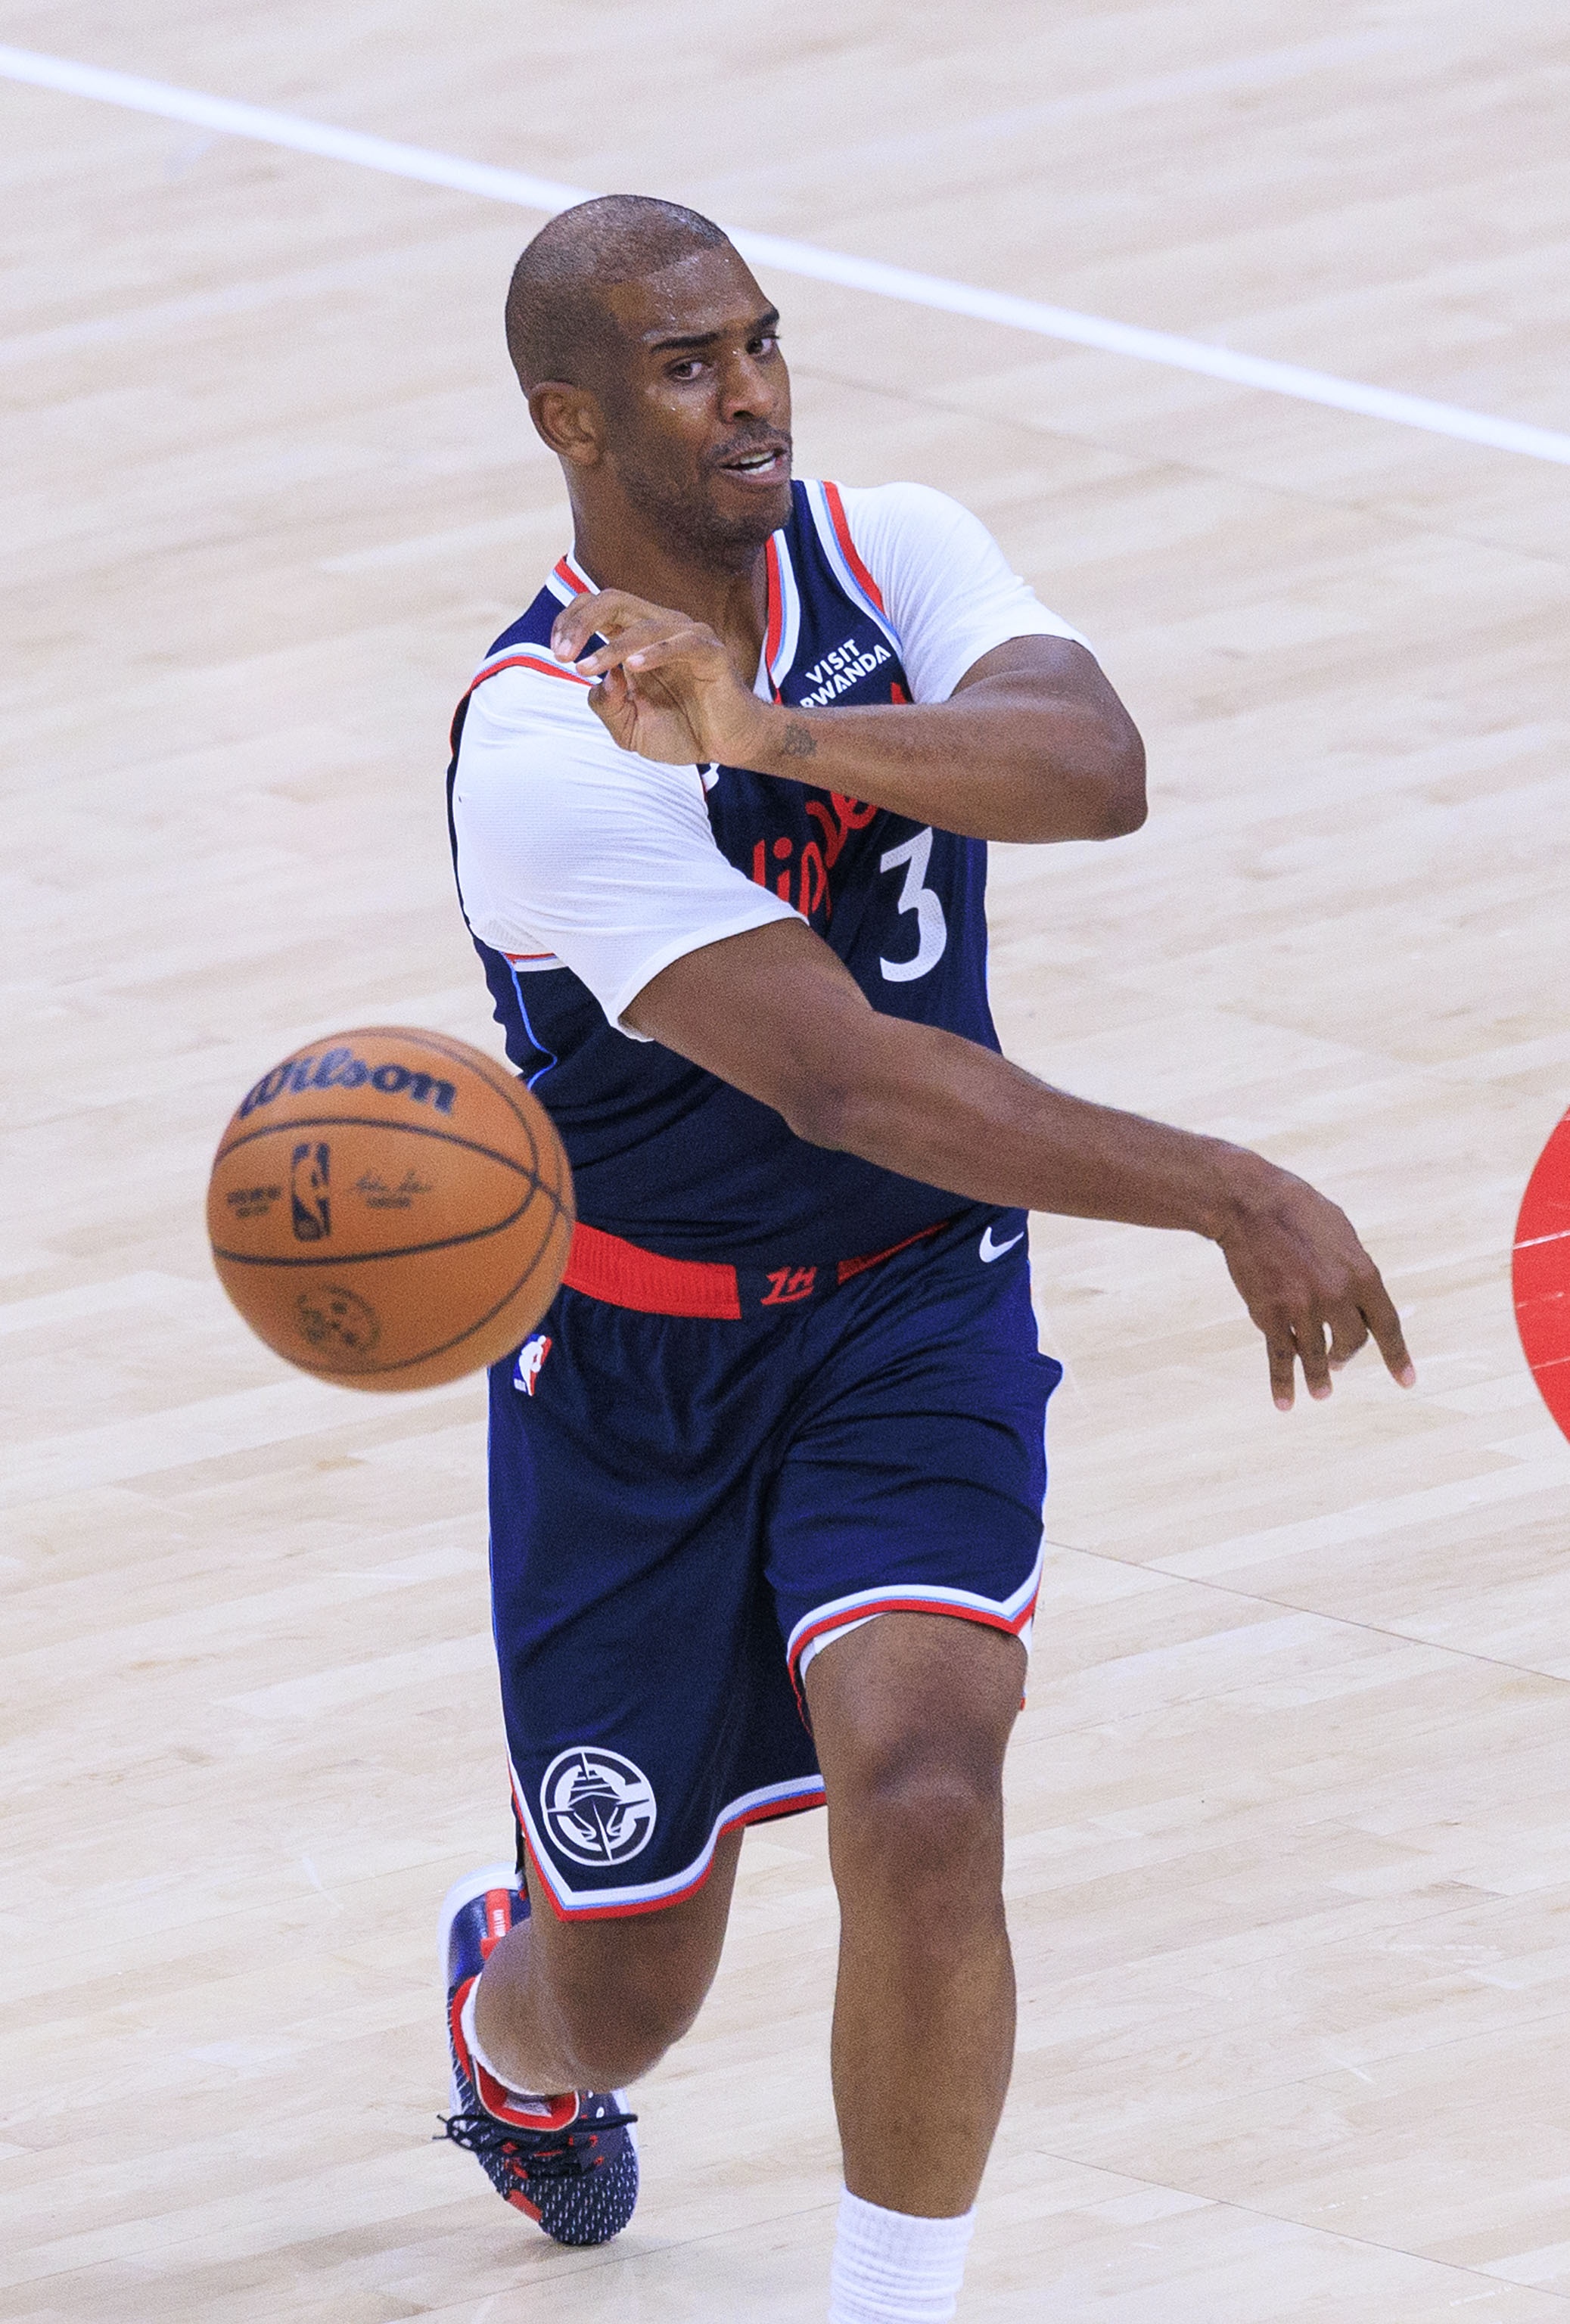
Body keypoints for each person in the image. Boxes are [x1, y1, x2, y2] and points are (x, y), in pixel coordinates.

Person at [437, 194, 1413, 2316]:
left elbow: (1095, 770)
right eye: (686, 366)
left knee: (931, 1794)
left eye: (761, 341)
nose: (753, 394)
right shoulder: (532, 739)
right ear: (570, 420)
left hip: (909, 1315)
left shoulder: (890, 558)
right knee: (620, 2006)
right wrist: (1228, 1186)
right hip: (636, 1378)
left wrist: (772, 736)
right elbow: (844, 1081)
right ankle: (501, 2023)